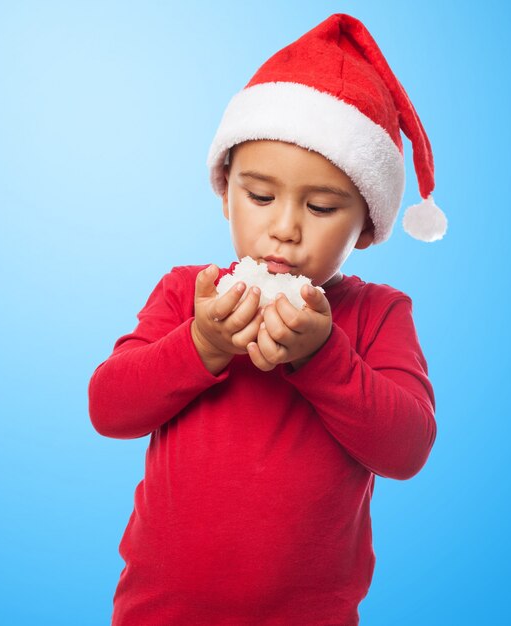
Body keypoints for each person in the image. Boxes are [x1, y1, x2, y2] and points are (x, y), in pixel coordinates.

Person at [88, 13, 445, 626]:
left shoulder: (379, 314)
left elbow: (407, 449)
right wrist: (200, 344)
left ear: (366, 226)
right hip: (160, 609)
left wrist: (321, 355)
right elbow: (108, 408)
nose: (284, 227)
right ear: (225, 192)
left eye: (322, 205)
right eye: (260, 197)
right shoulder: (186, 296)